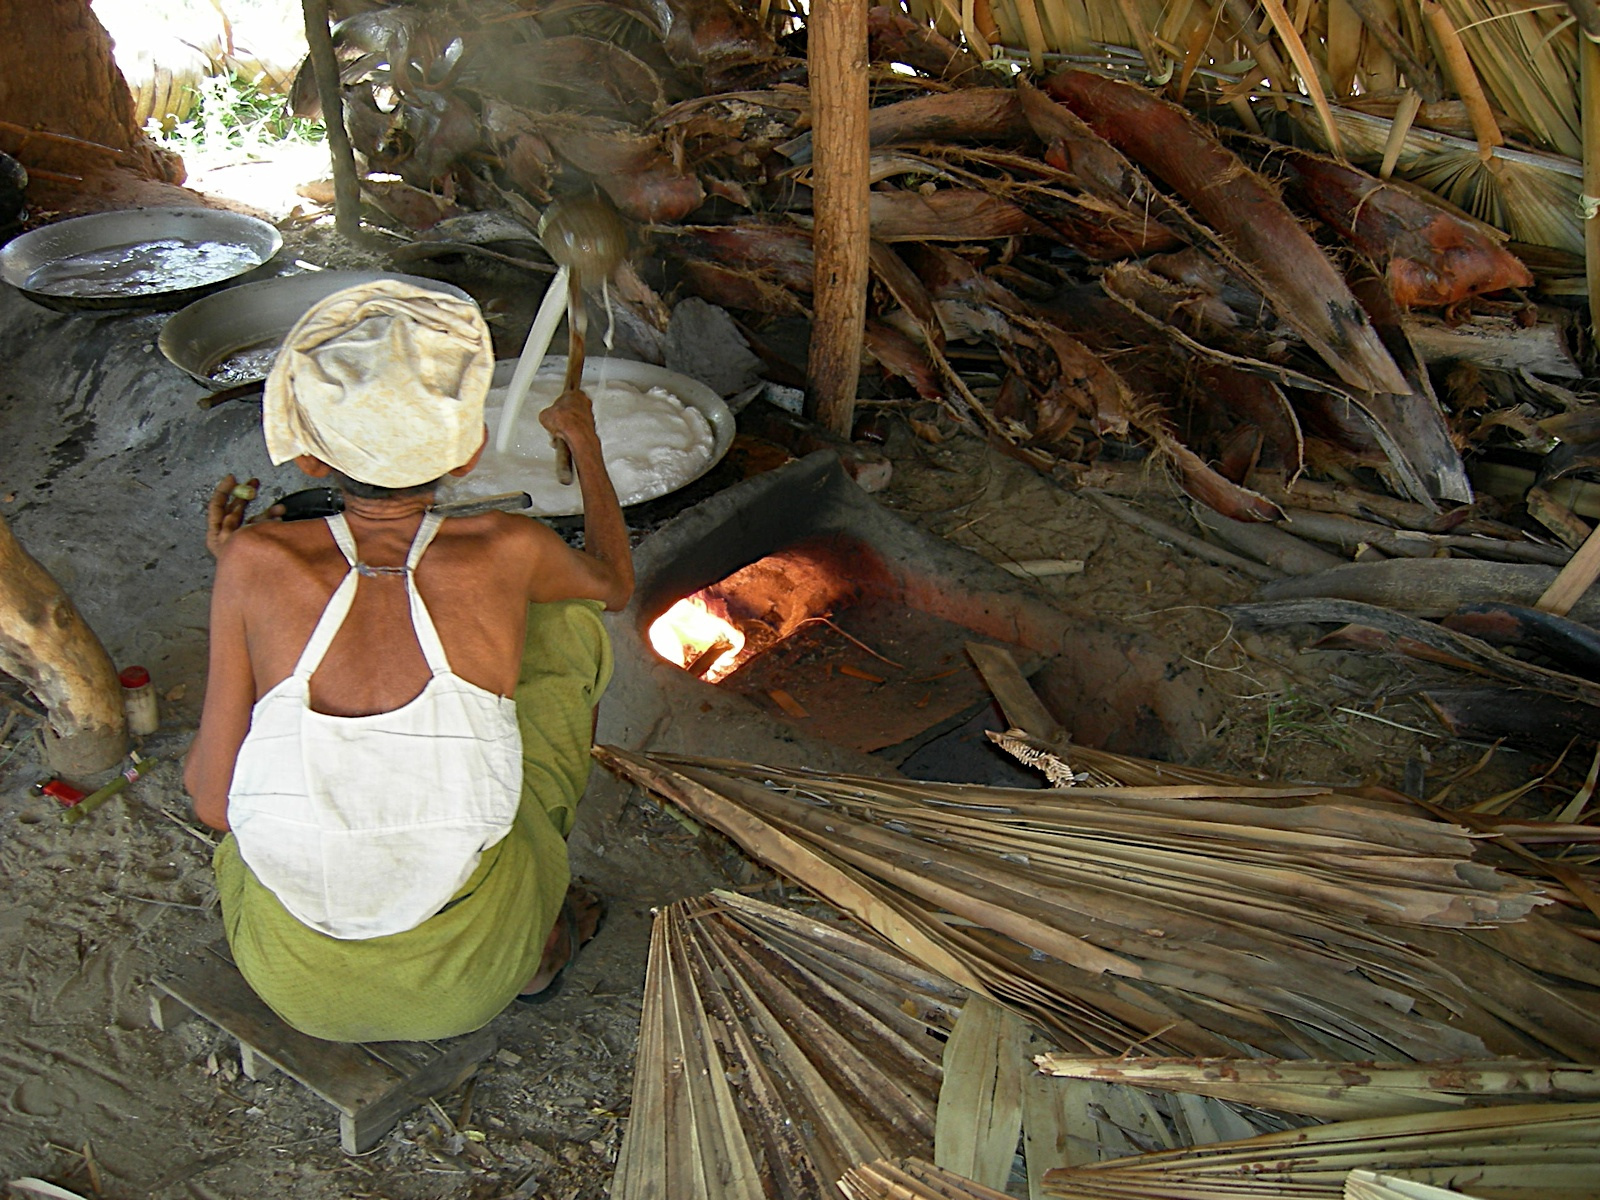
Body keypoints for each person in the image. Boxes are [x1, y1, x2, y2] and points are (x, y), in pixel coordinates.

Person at [183, 280, 633, 1042]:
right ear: (470, 451)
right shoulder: (510, 547)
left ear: (313, 461)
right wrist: (584, 443)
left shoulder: (253, 559)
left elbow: (212, 805)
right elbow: (615, 584)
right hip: (468, 982)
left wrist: (242, 575)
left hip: (293, 984)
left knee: (278, 698)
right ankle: (539, 957)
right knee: (569, 624)